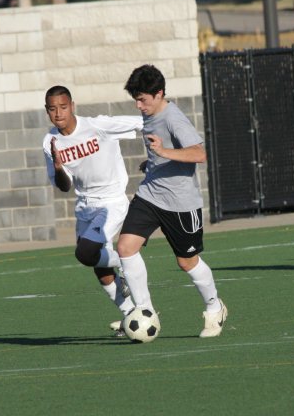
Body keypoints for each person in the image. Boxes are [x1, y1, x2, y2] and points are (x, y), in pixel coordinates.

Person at [115, 64, 227, 338]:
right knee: (125, 247)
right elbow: (162, 153)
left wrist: (163, 152)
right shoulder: (150, 115)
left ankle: (214, 307)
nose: (139, 105)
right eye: (136, 100)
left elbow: (199, 154)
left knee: (187, 262)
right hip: (151, 194)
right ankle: (144, 311)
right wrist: (153, 161)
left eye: (143, 99)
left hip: (180, 203)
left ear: (159, 93)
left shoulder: (173, 117)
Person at [42, 85, 142, 332]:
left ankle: (127, 261)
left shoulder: (98, 125)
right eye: (53, 109)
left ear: (72, 106)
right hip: (85, 205)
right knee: (99, 268)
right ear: (47, 111)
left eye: (63, 107)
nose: (59, 113)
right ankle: (130, 314)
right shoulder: (50, 141)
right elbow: (63, 186)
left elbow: (142, 123)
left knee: (85, 253)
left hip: (111, 202)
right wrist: (57, 167)